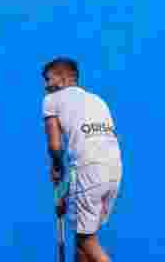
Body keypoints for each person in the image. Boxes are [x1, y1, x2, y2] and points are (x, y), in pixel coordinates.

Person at [42, 57, 123, 262]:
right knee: (82, 239)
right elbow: (90, 150)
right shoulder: (98, 100)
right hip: (113, 172)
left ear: (61, 79)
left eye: (48, 79)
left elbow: (55, 146)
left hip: (89, 171)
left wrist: (56, 168)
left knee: (87, 240)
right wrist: (63, 192)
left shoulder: (52, 100)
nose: (45, 86)